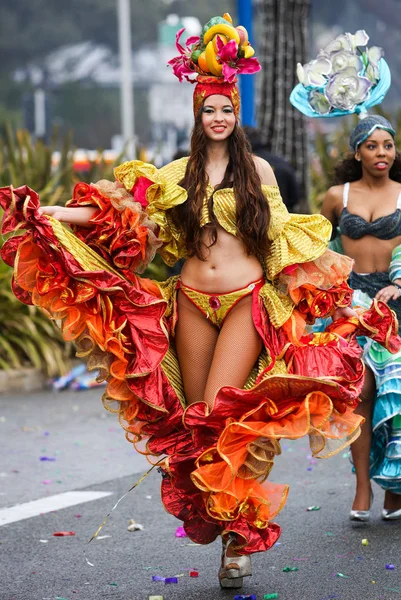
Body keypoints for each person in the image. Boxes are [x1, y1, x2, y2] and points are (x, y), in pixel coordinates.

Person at [1, 15, 399, 591]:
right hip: (189, 300)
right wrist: (54, 213)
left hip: (244, 300)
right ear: (197, 113)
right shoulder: (174, 175)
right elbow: (121, 215)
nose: (218, 118)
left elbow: (288, 241)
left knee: (221, 410)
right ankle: (230, 531)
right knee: (193, 421)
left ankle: (240, 542)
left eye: (227, 110)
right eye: (210, 109)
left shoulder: (257, 170)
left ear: (237, 116)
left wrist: (333, 299)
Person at [321, 115, 401, 520]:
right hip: (350, 307)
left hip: (396, 306)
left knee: (396, 394)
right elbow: (319, 251)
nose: (381, 152)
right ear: (357, 152)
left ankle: (395, 487)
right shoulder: (337, 195)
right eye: (372, 145)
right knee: (359, 391)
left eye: (387, 145)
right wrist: (334, 298)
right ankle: (362, 486)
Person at [243, 126, 300, 211]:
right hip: (284, 212)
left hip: (254, 216)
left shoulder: (244, 164)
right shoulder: (281, 161)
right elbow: (295, 197)